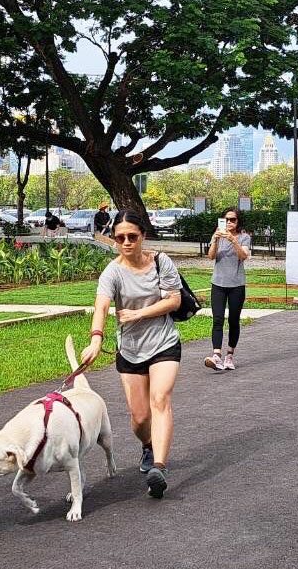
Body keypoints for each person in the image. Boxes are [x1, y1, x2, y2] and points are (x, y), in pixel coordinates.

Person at [81, 212, 183, 499]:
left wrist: (139, 313)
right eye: (119, 237)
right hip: (130, 349)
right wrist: (96, 339)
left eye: (132, 236)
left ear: (143, 236)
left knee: (160, 400)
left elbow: (173, 301)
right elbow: (101, 307)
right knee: (139, 418)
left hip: (164, 343)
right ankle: (148, 445)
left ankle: (159, 468)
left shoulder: (161, 262)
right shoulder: (111, 272)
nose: (126, 242)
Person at [204, 208, 251, 371]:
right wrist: (216, 240)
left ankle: (229, 355)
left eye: (233, 220)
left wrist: (233, 240)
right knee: (217, 318)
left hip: (236, 284)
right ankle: (216, 355)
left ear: (238, 222)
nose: (230, 222)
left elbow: (243, 256)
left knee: (233, 320)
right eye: (227, 219)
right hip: (218, 283)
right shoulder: (217, 235)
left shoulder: (244, 237)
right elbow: (211, 256)